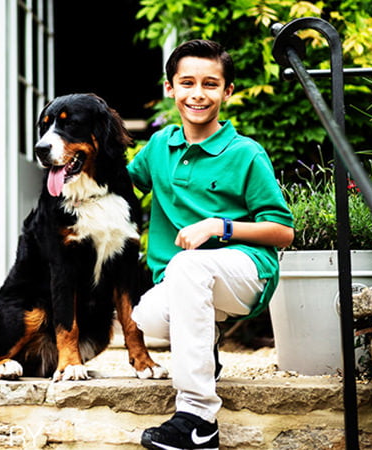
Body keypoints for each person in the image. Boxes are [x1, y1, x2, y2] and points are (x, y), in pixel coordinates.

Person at [127, 39, 294, 450]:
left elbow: (282, 232)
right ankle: (206, 353)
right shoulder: (158, 147)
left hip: (247, 272)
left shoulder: (245, 153)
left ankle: (198, 420)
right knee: (145, 316)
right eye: (186, 83)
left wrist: (219, 226)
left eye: (210, 84)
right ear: (170, 89)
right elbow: (122, 180)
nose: (197, 94)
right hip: (188, 281)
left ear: (227, 91)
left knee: (188, 266)